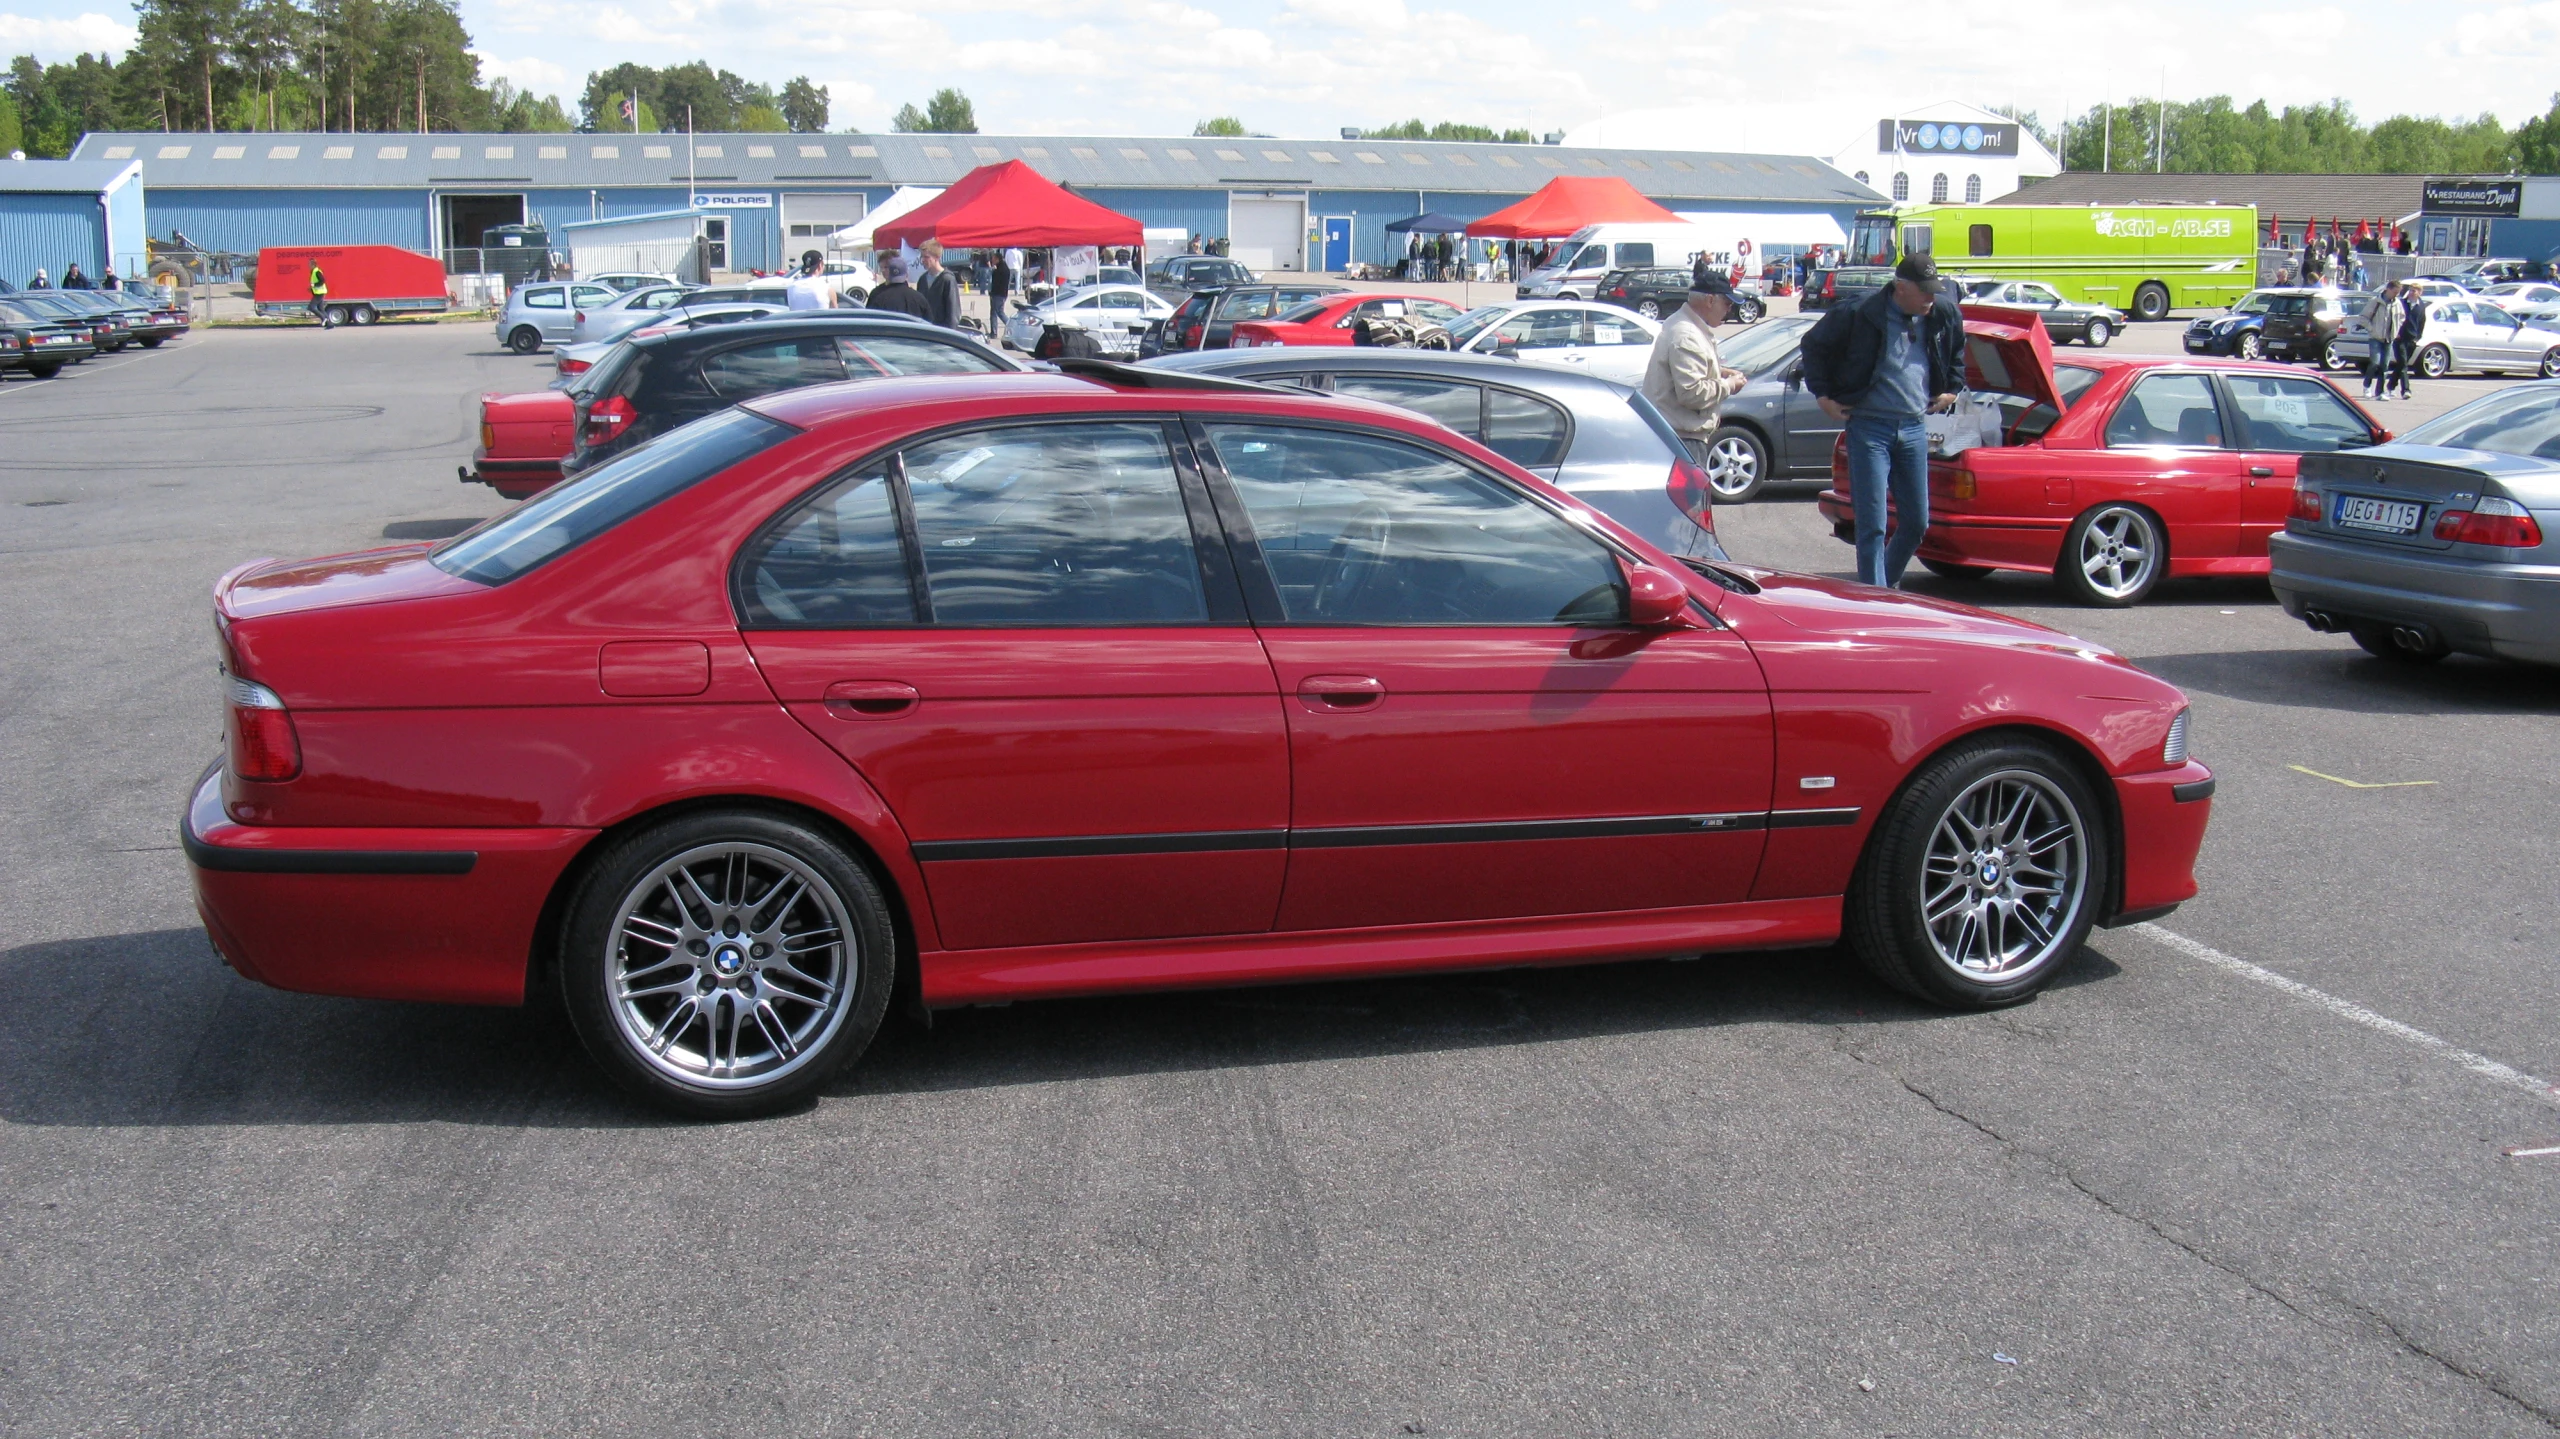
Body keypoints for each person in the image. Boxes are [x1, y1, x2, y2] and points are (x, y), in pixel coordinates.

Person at [1800, 252, 1964, 590]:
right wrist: (1823, 397)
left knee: (1917, 521)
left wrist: (1952, 389)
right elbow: (1813, 346)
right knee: (1873, 524)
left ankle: (1882, 590)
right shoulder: (1859, 312)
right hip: (1869, 427)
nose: (1932, 299)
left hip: (1915, 427)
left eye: (1935, 290)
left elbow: (1958, 351)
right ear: (1900, 288)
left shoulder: (1942, 312)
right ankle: (1875, 600)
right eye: (1925, 291)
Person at [1638, 272, 1750, 468]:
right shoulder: (1688, 335)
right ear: (1710, 300)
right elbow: (1691, 394)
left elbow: (1684, 370)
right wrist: (1729, 385)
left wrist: (1720, 371)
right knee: (1689, 499)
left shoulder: (1681, 324)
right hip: (1683, 439)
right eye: (1727, 303)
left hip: (1673, 436)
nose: (1729, 310)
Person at [2360, 281, 2403, 400]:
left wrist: (2396, 330)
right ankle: (2367, 385)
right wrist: (2371, 329)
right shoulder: (2375, 302)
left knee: (2385, 365)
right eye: (2394, 292)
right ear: (2388, 289)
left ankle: (2380, 392)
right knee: (2375, 363)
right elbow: (2363, 318)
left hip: (2389, 338)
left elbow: (2401, 317)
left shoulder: (2397, 303)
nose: (2396, 295)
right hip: (2375, 337)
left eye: (2398, 293)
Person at [866, 253, 931, 319]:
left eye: (886, 267)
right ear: (907, 274)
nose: (883, 270)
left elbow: (869, 320)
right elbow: (929, 323)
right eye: (881, 267)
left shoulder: (879, 298)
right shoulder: (919, 298)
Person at [914, 239, 959, 328]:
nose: (922, 260)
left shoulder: (947, 279)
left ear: (937, 257)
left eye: (926, 257)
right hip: (925, 329)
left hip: (941, 332)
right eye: (921, 257)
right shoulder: (922, 279)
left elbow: (953, 313)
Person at [2393, 284, 2425, 401]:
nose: (2411, 293)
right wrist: (2395, 333)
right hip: (2400, 338)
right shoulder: (2402, 303)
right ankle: (2406, 390)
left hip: (2412, 339)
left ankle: (2391, 385)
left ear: (2420, 293)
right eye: (2410, 290)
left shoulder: (2421, 306)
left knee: (2402, 364)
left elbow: (2421, 322)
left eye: (2414, 291)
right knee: (2403, 364)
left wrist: (2418, 337)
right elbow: (2395, 318)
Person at [988, 247, 1014, 324]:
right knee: (993, 313)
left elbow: (997, 283)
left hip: (998, 294)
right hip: (998, 294)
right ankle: (993, 332)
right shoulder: (1001, 268)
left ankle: (1010, 324)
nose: (992, 260)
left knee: (999, 312)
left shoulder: (1001, 270)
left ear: (997, 259)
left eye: (993, 259)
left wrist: (993, 293)